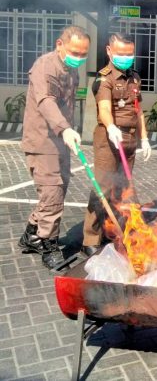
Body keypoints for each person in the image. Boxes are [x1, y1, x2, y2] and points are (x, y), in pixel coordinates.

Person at [18, 25, 90, 269]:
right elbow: (46, 101)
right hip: (43, 141)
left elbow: (67, 105)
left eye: (83, 54)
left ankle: (30, 235)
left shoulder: (71, 71)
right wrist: (65, 128)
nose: (79, 58)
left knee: (57, 191)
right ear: (60, 44)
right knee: (52, 193)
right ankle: (49, 246)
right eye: (75, 52)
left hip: (61, 142)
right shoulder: (45, 66)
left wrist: (69, 131)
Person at [81, 32, 152, 257]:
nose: (126, 57)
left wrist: (145, 138)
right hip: (109, 138)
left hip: (129, 139)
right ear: (109, 51)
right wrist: (111, 127)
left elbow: (138, 110)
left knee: (122, 189)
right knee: (102, 188)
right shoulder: (105, 79)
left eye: (129, 53)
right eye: (121, 53)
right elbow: (103, 109)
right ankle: (91, 238)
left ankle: (115, 232)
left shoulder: (135, 78)